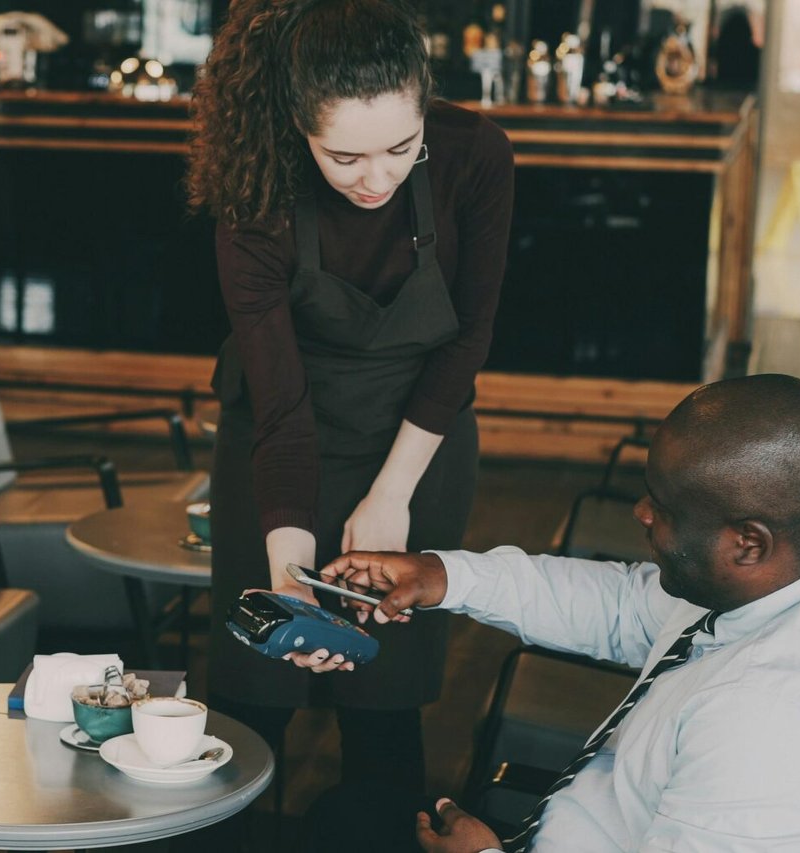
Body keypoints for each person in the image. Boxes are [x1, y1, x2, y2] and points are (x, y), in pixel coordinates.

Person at [302, 374, 800, 852]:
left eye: (663, 507)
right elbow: (620, 606)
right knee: (347, 817)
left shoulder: (773, 735)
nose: (640, 512)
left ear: (748, 542)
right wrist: (445, 575)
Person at [185, 0, 513, 835]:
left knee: (383, 687)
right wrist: (293, 572)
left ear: (424, 108)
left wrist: (392, 494)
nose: (378, 178)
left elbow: (467, 338)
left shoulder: (475, 154)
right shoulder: (254, 188)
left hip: (423, 427)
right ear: (299, 127)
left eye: (402, 148)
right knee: (255, 684)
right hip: (280, 426)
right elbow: (281, 406)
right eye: (345, 157)